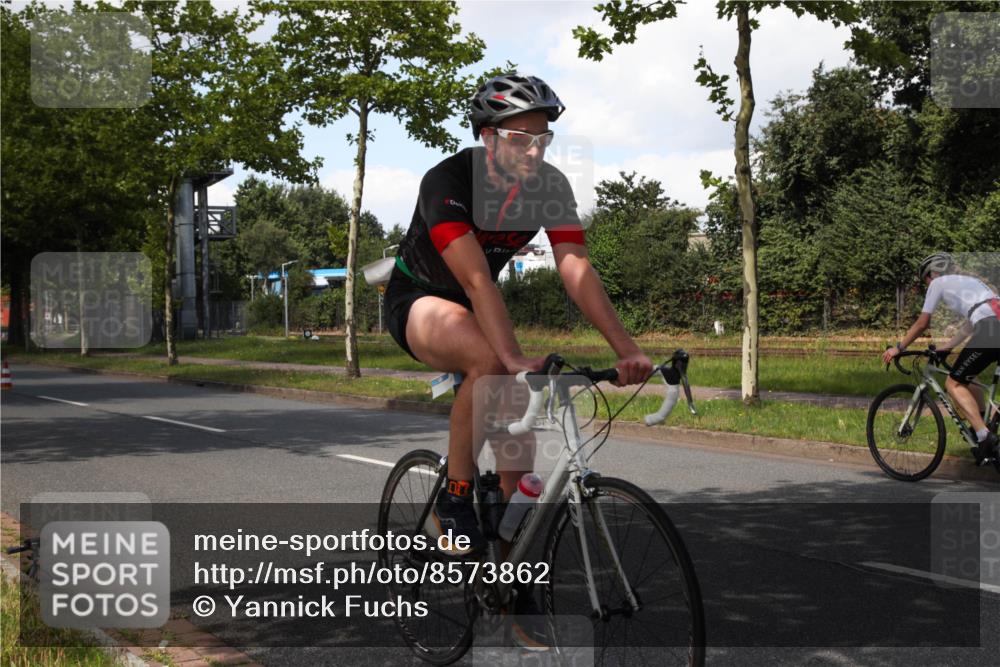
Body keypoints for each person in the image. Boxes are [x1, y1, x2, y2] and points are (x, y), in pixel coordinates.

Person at [383, 73, 652, 647]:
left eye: (542, 139)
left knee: (519, 469)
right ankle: (452, 499)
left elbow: (575, 266)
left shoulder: (547, 186)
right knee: (490, 362)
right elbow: (477, 279)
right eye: (520, 139)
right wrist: (510, 357)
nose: (534, 150)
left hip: (480, 313)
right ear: (487, 137)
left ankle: (510, 587)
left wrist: (625, 348)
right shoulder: (448, 182)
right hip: (422, 302)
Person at [881, 252, 1000, 463]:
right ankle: (984, 423)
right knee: (968, 376)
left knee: (953, 384)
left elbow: (922, 323)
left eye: (925, 279)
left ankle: (984, 437)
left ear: (933, 273)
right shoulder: (971, 282)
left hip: (991, 329)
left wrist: (899, 347)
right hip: (992, 327)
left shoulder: (939, 283)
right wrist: (946, 348)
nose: (927, 285)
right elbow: (970, 324)